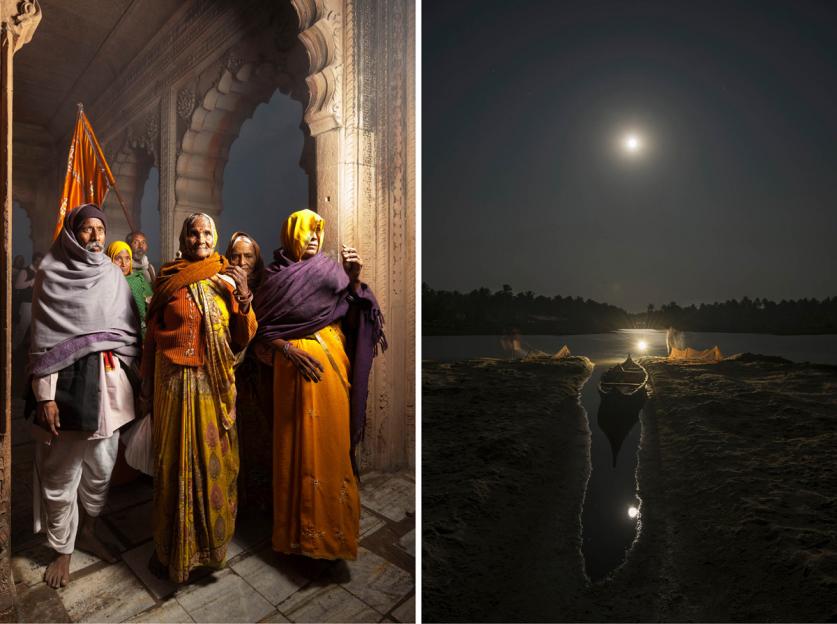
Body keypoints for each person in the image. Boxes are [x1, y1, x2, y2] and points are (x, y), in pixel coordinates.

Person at [253, 209, 386, 560]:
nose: (314, 237)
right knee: (293, 451)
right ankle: (297, 541)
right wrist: (289, 350)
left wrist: (355, 280)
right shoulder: (273, 278)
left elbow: (357, 316)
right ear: (291, 234)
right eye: (307, 231)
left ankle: (332, 541)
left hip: (330, 373)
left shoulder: (334, 272)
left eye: (318, 231)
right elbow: (261, 330)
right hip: (291, 377)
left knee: (330, 451)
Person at [28, 204, 140, 588]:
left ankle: (88, 530)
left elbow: (128, 329)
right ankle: (63, 550)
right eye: (87, 230)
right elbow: (42, 339)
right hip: (67, 388)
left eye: (100, 229)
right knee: (61, 474)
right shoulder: (51, 271)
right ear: (73, 233)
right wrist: (45, 397)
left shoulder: (112, 274)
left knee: (102, 470)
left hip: (110, 387)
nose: (95, 237)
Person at [143, 213, 257, 583]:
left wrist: (243, 297)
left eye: (207, 233)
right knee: (172, 463)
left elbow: (242, 338)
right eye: (194, 233)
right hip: (173, 384)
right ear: (184, 237)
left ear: (215, 237)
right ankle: (169, 551)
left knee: (212, 464)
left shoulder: (225, 278)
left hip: (213, 386)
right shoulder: (167, 278)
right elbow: (152, 331)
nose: (201, 239)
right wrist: (148, 377)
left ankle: (208, 551)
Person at [223, 232, 272, 511]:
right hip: (229, 373)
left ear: (257, 259)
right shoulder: (221, 285)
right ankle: (235, 503)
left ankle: (261, 501)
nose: (241, 261)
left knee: (260, 437)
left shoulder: (268, 286)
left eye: (248, 256)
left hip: (260, 374)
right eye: (235, 255)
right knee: (232, 439)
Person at [107, 241, 153, 337]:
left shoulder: (139, 280)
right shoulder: (106, 283)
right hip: (117, 335)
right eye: (118, 259)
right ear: (109, 258)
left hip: (144, 334)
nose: (124, 264)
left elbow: (151, 306)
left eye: (127, 259)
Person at [13, 252, 45, 350]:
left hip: (39, 304)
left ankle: (35, 351)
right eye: (38, 260)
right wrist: (31, 282)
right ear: (34, 260)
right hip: (27, 304)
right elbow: (17, 286)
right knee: (22, 328)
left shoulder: (41, 271)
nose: (39, 263)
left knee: (38, 329)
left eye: (41, 261)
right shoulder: (25, 271)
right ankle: (12, 348)